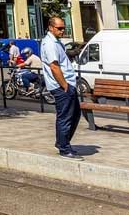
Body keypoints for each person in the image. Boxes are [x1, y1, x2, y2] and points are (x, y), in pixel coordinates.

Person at [41, 16, 83, 160]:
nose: (62, 30)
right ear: (51, 27)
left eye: (63, 28)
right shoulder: (50, 44)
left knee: (75, 114)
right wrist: (64, 85)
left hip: (67, 84)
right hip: (61, 86)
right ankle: (64, 148)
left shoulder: (56, 42)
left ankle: (62, 142)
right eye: (59, 28)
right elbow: (54, 66)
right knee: (65, 117)